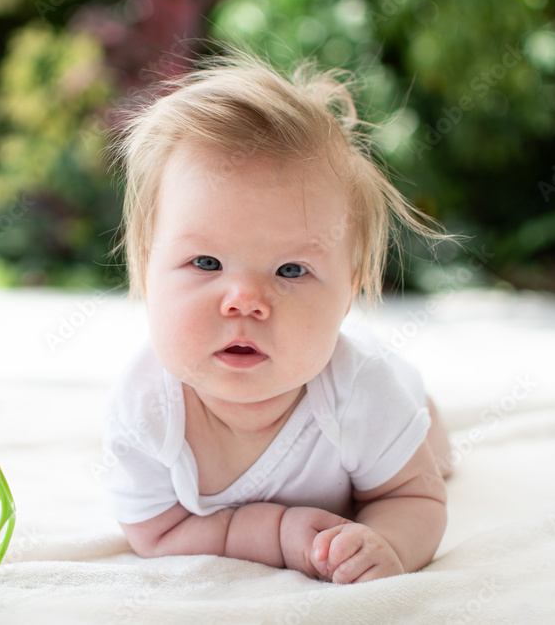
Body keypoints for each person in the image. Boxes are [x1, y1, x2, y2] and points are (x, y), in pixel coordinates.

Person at [101, 49, 453, 584]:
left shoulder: (363, 393)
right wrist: (274, 532)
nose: (244, 300)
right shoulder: (146, 410)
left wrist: (390, 542)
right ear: (146, 268)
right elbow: (155, 531)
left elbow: (413, 497)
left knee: (434, 453)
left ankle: (427, 412)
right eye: (205, 263)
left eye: (291, 270)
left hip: (387, 403)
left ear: (349, 291)